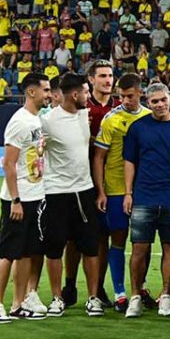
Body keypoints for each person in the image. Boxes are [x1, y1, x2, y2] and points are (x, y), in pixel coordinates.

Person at [122, 82, 170, 318]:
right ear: (147, 102)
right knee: (139, 249)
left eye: (163, 100)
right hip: (143, 196)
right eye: (154, 101)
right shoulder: (137, 128)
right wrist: (128, 192)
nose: (160, 105)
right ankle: (135, 296)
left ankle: (166, 295)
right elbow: (130, 162)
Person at [0, 73, 51, 324]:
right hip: (19, 199)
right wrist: (15, 200)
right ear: (32, 92)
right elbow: (9, 165)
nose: (49, 94)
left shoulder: (36, 120)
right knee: (7, 252)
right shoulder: (19, 122)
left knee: (27, 253)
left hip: (36, 197)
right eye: (45, 90)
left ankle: (17, 304)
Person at [41, 73, 106, 318]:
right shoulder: (47, 122)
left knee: (90, 247)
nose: (89, 96)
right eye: (87, 92)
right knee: (55, 247)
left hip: (85, 190)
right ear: (75, 94)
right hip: (56, 192)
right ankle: (57, 298)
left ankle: (93, 298)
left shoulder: (83, 115)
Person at [92, 73, 151, 313]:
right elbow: (99, 157)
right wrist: (101, 191)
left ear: (139, 93)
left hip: (144, 190)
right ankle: (119, 293)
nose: (125, 100)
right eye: (121, 96)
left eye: (129, 96)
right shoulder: (111, 119)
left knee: (143, 243)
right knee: (118, 239)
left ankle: (141, 288)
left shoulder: (149, 117)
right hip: (115, 188)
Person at [63, 61, 119, 308]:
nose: (108, 80)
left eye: (111, 75)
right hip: (80, 180)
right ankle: (70, 284)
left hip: (111, 184)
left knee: (103, 238)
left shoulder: (119, 108)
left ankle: (97, 288)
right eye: (103, 76)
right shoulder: (82, 108)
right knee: (75, 237)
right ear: (91, 80)